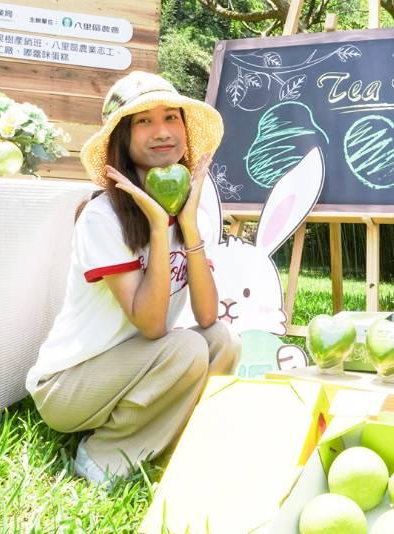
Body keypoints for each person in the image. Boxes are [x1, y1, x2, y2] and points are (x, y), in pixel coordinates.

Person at [25, 71, 241, 484]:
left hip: (134, 365)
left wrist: (189, 228)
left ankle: (182, 444)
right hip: (69, 385)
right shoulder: (103, 217)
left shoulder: (191, 207)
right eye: (143, 121)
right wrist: (159, 229)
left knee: (223, 342)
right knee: (186, 347)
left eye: (171, 118)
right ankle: (104, 457)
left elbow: (209, 314)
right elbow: (153, 324)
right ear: (122, 138)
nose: (162, 132)